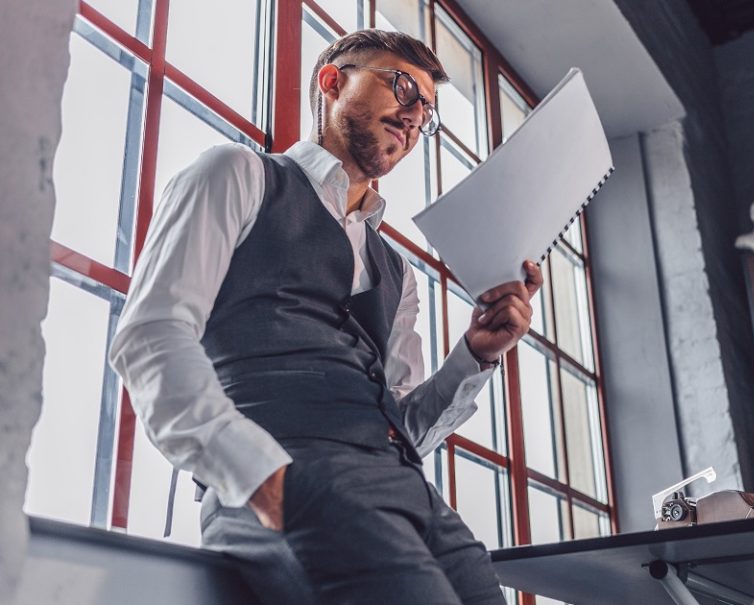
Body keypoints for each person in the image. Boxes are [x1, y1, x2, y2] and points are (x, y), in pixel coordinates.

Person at [109, 30, 541, 605]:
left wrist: (475, 357)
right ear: (332, 81)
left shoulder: (397, 271)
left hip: (414, 500)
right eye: (403, 87)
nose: (415, 115)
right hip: (292, 480)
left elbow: (400, 428)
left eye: (427, 111)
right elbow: (151, 335)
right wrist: (263, 480)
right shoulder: (237, 174)